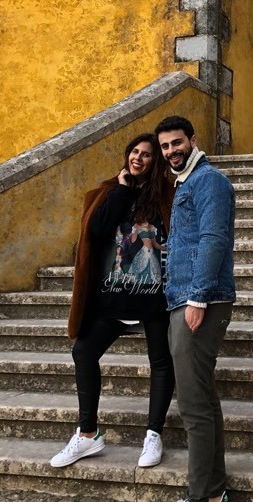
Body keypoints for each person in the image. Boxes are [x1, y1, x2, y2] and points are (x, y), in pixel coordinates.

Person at [50, 133, 175, 469]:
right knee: (84, 352)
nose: (138, 158)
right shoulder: (109, 191)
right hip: (113, 296)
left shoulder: (169, 194)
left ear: (156, 161)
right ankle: (88, 434)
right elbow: (97, 230)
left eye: (147, 154)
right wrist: (122, 191)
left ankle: (153, 434)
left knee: (161, 363)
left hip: (155, 297)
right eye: (134, 152)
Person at [155, 116, 236, 502]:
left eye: (176, 142)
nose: (171, 150)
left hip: (198, 301)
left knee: (192, 406)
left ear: (193, 140)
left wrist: (198, 297)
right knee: (203, 399)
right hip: (182, 297)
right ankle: (216, 498)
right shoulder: (184, 183)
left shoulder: (209, 181)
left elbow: (214, 239)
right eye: (165, 146)